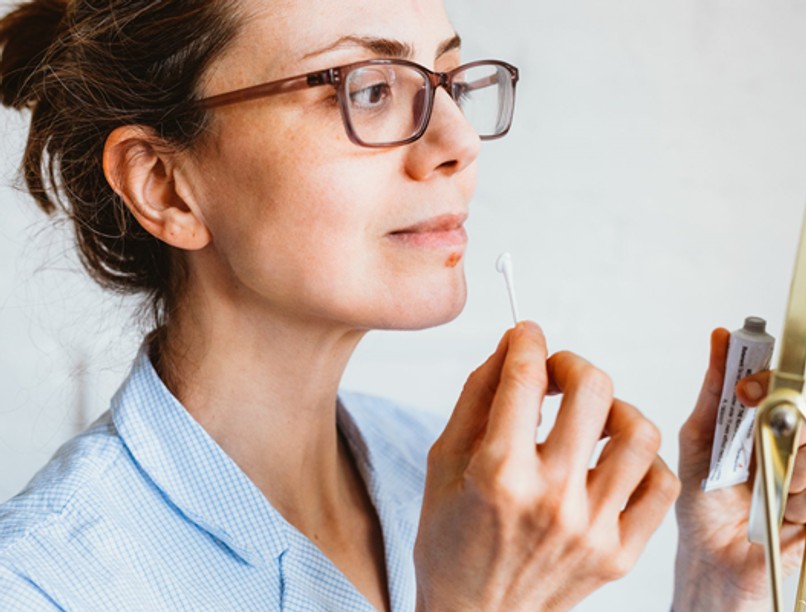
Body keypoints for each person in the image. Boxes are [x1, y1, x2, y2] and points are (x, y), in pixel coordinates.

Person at [0, 0, 802, 610]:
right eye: (370, 87)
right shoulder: (43, 583)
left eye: (448, 82)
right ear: (165, 185)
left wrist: (721, 586)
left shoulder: (449, 477)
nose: (458, 140)